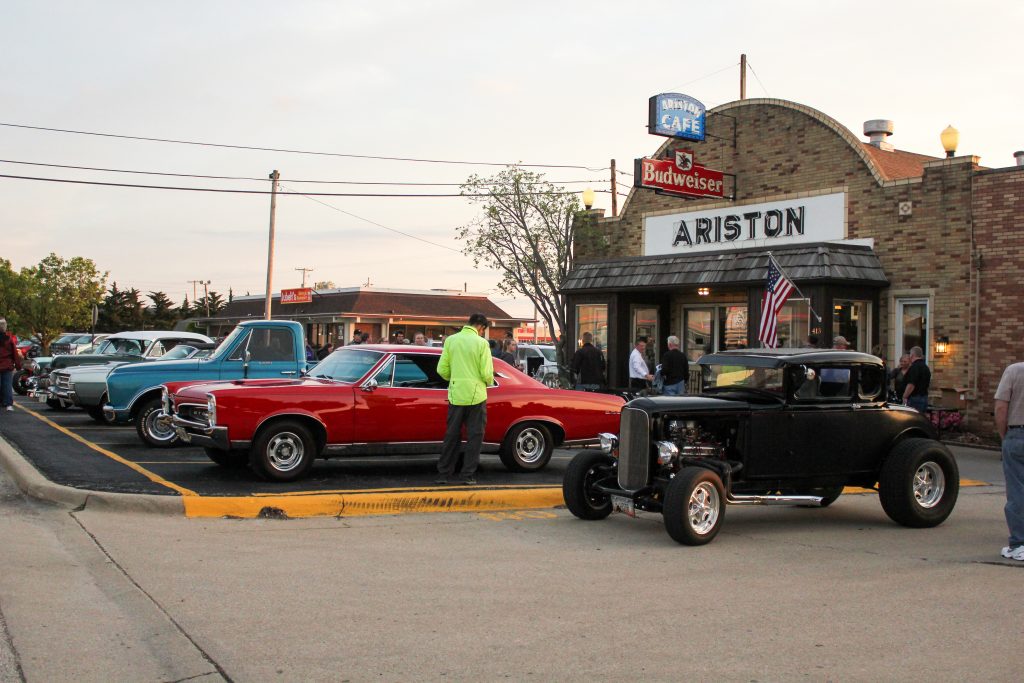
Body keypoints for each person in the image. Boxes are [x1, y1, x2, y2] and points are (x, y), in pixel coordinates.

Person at [436, 313, 494, 486]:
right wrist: (487, 382)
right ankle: (467, 475)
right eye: (483, 330)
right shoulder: (481, 343)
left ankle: (444, 474)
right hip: (476, 395)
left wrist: (454, 378)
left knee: (451, 435)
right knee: (475, 437)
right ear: (481, 327)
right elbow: (486, 373)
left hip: (456, 393)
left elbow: (442, 369)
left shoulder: (451, 341)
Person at [995, 361, 1024, 562]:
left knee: (1017, 490)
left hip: (1017, 432)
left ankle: (1019, 543)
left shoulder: (1014, 371)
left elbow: (1001, 407)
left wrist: (1004, 434)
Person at [0, 319, 23, 412]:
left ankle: (2, 401)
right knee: (7, 386)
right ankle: (8, 404)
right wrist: (18, 366)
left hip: (5, 365)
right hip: (7, 366)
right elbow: (15, 354)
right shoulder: (9, 339)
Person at [902, 346, 931, 412]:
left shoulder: (914, 367)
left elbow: (911, 385)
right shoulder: (926, 367)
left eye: (910, 354)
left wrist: (904, 396)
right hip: (924, 397)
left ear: (912, 355)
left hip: (914, 399)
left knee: (912, 419)